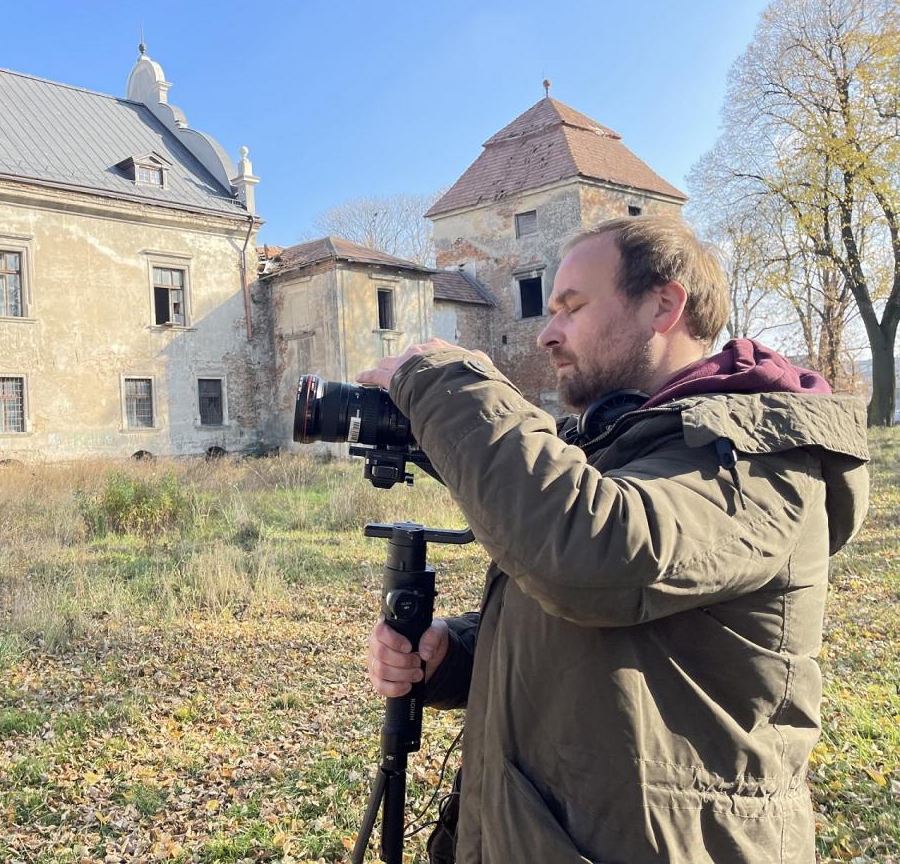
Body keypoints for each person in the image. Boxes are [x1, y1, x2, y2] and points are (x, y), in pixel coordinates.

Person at [356, 215, 870, 864]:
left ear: (663, 304)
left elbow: (589, 555)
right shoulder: (626, 449)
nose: (547, 332)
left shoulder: (760, 460)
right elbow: (602, 623)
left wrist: (445, 380)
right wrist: (453, 656)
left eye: (572, 307)